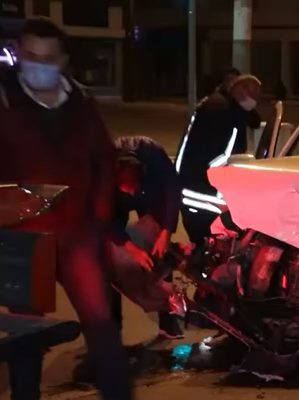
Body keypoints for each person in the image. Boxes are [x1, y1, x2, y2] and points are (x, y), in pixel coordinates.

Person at [0, 17, 132, 400]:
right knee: (27, 335)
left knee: (101, 326)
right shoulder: (4, 101)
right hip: (23, 240)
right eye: (30, 55)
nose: (38, 63)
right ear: (20, 55)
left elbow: (104, 161)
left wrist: (101, 221)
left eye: (47, 56)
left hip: (79, 235)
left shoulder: (81, 101)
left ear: (62, 60)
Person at [110, 135, 184, 339]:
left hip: (152, 195)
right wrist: (131, 249)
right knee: (108, 261)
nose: (131, 192)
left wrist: (166, 232)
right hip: (114, 202)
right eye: (127, 188)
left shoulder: (154, 157)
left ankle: (168, 320)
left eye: (133, 186)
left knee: (159, 250)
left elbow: (172, 192)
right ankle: (112, 328)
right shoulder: (102, 175)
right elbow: (104, 219)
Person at [175, 74, 263, 246]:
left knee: (206, 243)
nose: (255, 101)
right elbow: (227, 156)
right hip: (200, 192)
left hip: (193, 185)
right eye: (252, 96)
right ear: (239, 92)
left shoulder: (221, 104)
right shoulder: (222, 113)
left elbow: (252, 119)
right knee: (209, 244)